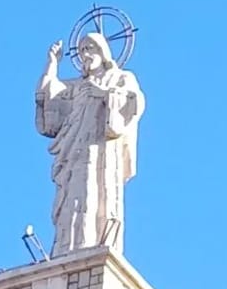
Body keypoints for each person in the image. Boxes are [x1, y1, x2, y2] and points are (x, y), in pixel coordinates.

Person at [35, 33, 145, 257]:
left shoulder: (120, 77)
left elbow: (134, 102)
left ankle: (94, 242)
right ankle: (67, 245)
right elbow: (50, 97)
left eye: (90, 48)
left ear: (103, 52)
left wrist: (104, 94)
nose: (86, 54)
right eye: (82, 50)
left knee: (95, 192)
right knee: (72, 195)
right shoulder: (78, 87)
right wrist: (52, 64)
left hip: (101, 151)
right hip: (74, 150)